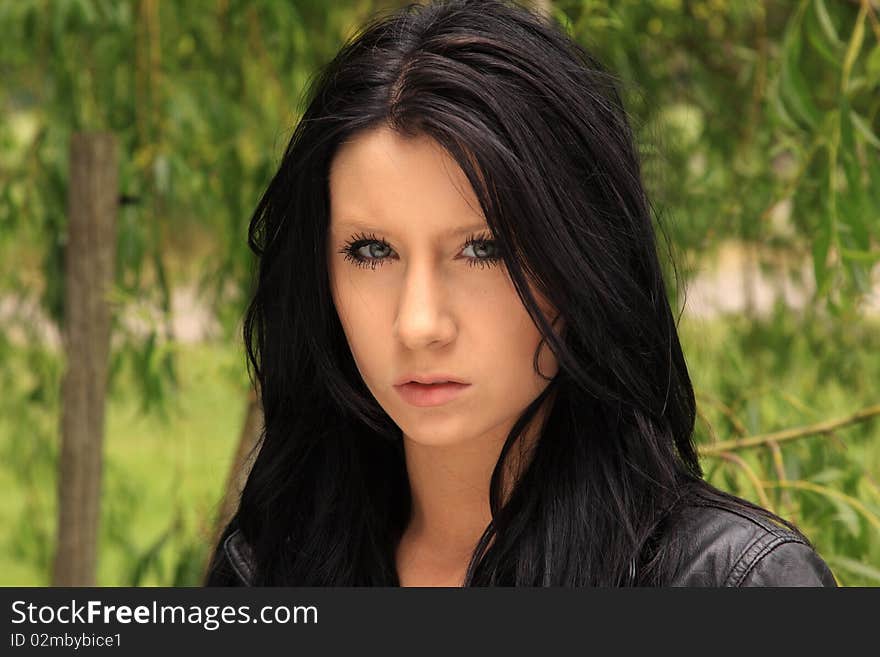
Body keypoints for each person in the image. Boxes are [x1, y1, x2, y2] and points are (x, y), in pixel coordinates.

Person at [204, 0, 836, 587]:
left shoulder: (729, 584)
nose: (419, 324)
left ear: (581, 262)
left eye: (484, 249)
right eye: (372, 251)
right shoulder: (268, 565)